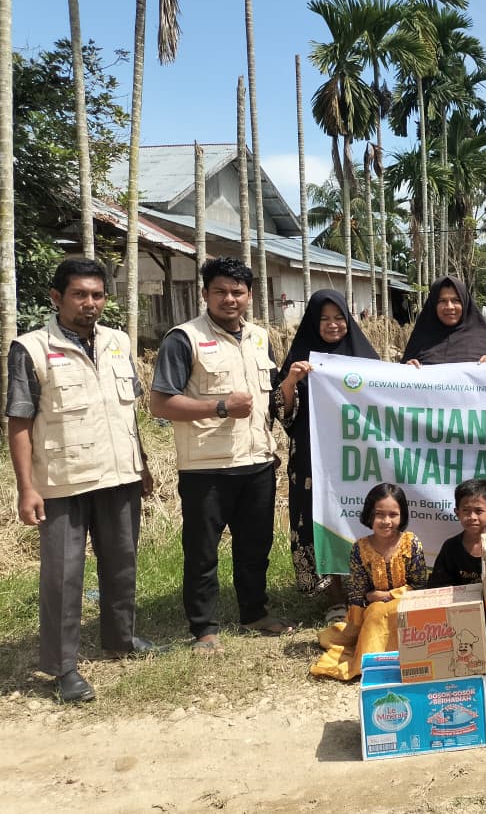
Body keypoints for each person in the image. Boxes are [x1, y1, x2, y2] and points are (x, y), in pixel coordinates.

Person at [6, 259, 154, 702]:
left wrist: (142, 464)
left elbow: (126, 412)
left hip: (119, 474)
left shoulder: (117, 340)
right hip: (62, 482)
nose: (90, 303)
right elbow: (18, 420)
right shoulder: (30, 348)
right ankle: (62, 666)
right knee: (63, 577)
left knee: (122, 564)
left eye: (97, 295)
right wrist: (26, 487)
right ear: (56, 297)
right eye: (80, 295)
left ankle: (119, 639)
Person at [150, 257, 293, 655]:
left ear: (249, 296)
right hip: (205, 467)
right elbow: (160, 403)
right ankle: (204, 628)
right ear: (205, 294)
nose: (229, 299)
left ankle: (254, 612)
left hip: (257, 461)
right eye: (220, 291)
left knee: (255, 544)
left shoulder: (260, 337)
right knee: (202, 550)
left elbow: (272, 398)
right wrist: (220, 407)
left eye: (237, 292)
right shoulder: (184, 338)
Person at [276, 289, 380, 622]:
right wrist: (292, 381)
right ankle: (334, 594)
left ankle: (369, 589)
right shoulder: (301, 359)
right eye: (324, 319)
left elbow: (392, 397)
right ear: (312, 322)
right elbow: (283, 412)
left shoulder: (366, 358)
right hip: (312, 460)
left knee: (362, 517)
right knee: (320, 517)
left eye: (339, 318)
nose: (333, 325)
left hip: (359, 458)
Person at [310, 484, 427, 681]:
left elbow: (420, 585)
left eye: (393, 515)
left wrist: (389, 595)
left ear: (402, 516)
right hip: (371, 609)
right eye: (380, 514)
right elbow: (358, 593)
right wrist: (356, 624)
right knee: (341, 633)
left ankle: (377, 662)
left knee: (380, 612)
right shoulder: (360, 548)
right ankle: (371, 656)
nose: (386, 521)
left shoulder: (411, 542)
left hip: (407, 606)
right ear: (369, 515)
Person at [402, 276, 486, 367]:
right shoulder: (420, 340)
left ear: (465, 302)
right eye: (442, 301)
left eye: (456, 300)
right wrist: (408, 369)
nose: (449, 307)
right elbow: (400, 383)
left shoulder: (484, 341)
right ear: (433, 305)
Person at [428, 479, 486, 587]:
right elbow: (438, 585)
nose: (472, 517)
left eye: (479, 511)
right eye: (466, 510)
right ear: (457, 513)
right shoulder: (450, 548)